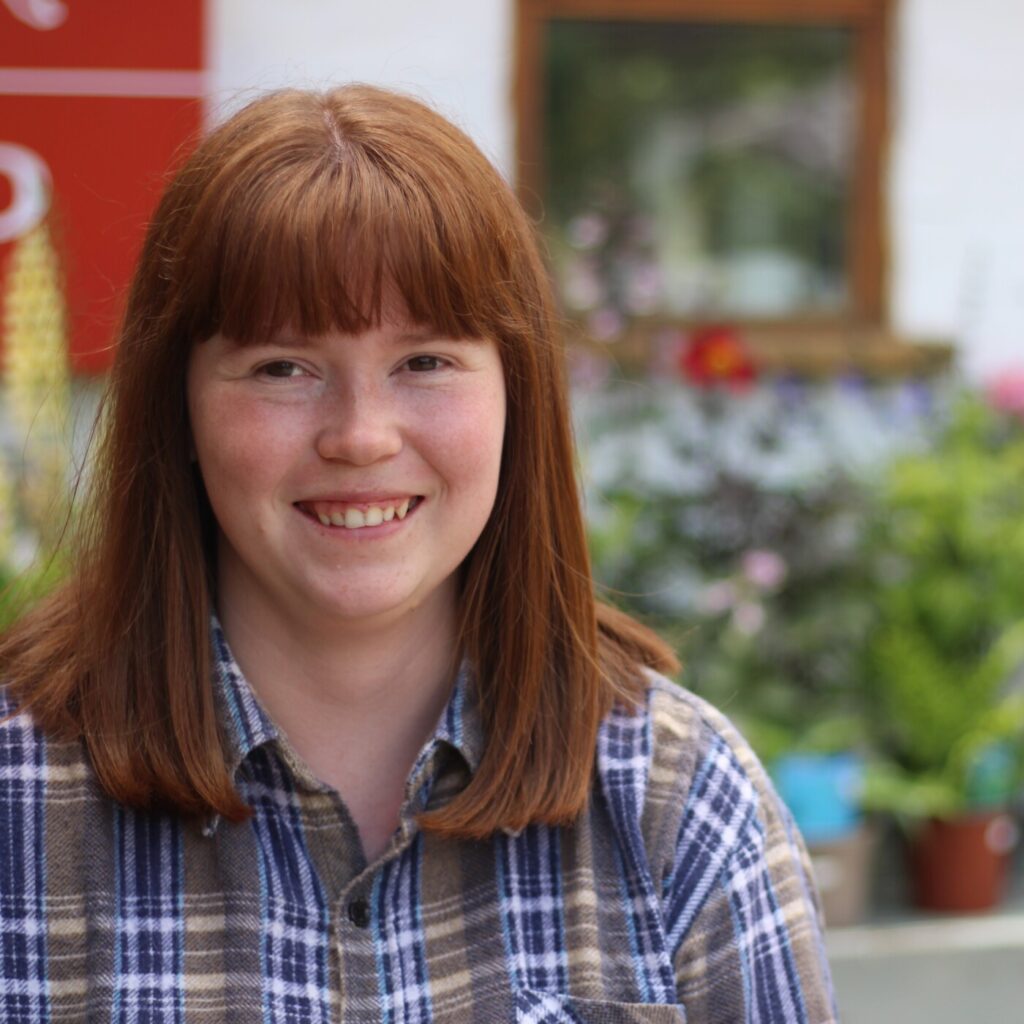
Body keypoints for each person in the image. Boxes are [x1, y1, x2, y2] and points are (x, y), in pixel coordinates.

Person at [0, 86, 838, 1023]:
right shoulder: (17, 802)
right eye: (282, 367)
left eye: (425, 362)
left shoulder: (678, 802)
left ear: (518, 394)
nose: (361, 436)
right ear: (178, 407)